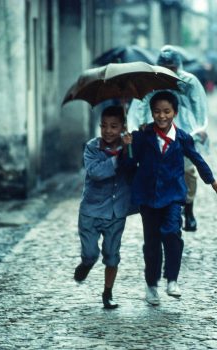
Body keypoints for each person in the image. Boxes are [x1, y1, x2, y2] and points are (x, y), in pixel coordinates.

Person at [123, 91, 217, 305]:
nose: (162, 116)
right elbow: (130, 164)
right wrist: (129, 145)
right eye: (157, 112)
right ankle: (151, 286)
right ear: (151, 113)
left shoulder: (183, 137)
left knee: (171, 233)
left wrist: (211, 180)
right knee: (151, 243)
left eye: (166, 111)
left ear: (175, 113)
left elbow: (196, 158)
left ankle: (172, 279)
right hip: (148, 197)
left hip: (174, 195)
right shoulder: (142, 136)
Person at [127, 46, 208, 232]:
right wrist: (138, 124)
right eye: (165, 67)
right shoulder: (150, 82)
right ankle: (165, 206)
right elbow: (141, 104)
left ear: (177, 66)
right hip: (156, 130)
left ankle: (188, 209)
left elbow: (199, 105)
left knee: (187, 170)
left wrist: (200, 128)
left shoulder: (189, 82)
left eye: (172, 67)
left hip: (184, 130)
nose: (168, 71)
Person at [74, 105, 133, 309]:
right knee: (91, 253)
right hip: (91, 210)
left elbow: (137, 168)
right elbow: (96, 172)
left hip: (117, 211)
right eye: (104, 126)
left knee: (112, 254)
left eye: (114, 126)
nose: (108, 131)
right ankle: (86, 264)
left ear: (122, 127)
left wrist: (129, 150)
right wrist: (119, 157)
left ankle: (107, 293)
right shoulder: (92, 147)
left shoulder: (129, 146)